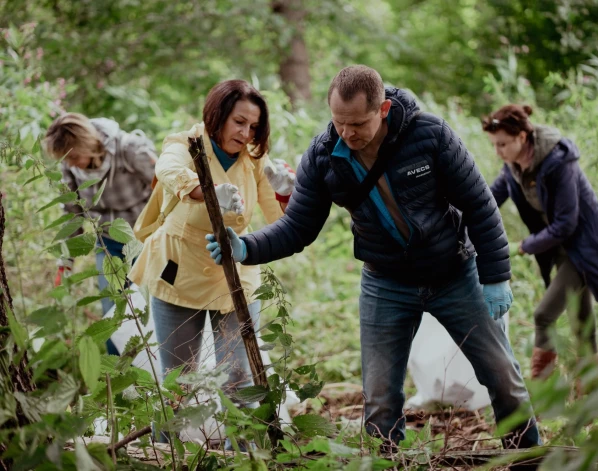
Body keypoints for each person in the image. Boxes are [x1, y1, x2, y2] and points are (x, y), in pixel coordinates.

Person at [206, 65, 541, 449]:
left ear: (382, 110)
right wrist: (246, 247)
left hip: (453, 273)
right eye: (338, 122)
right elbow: (297, 227)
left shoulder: (431, 135)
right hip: (386, 282)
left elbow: (480, 205)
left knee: (501, 375)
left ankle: (527, 456)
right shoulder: (323, 156)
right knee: (380, 398)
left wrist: (495, 276)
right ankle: (385, 458)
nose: (346, 133)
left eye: (357, 124)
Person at [127, 80, 295, 447]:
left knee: (238, 377)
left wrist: (288, 190)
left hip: (234, 272)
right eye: (239, 122)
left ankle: (246, 455)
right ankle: (161, 452)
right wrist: (206, 191)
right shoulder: (185, 145)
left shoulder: (253, 159)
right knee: (178, 380)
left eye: (253, 126)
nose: (246, 133)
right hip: (178, 270)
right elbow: (169, 170)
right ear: (217, 114)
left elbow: (279, 218)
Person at [482, 104, 598, 380]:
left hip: (587, 248)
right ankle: (595, 389)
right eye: (494, 145)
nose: (498, 152)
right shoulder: (513, 168)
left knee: (543, 315)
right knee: (581, 322)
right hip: (563, 249)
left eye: (503, 144)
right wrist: (458, 212)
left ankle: (543, 394)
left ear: (522, 137)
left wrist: (524, 246)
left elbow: (566, 224)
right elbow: (487, 200)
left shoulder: (558, 161)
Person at [44, 112, 157, 354]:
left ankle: (163, 379)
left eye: (74, 156)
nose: (71, 163)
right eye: (67, 159)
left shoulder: (129, 150)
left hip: (148, 241)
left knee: (154, 309)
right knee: (113, 314)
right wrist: (65, 262)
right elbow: (73, 214)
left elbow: (166, 188)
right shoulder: (71, 166)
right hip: (108, 244)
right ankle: (122, 378)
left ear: (86, 143)